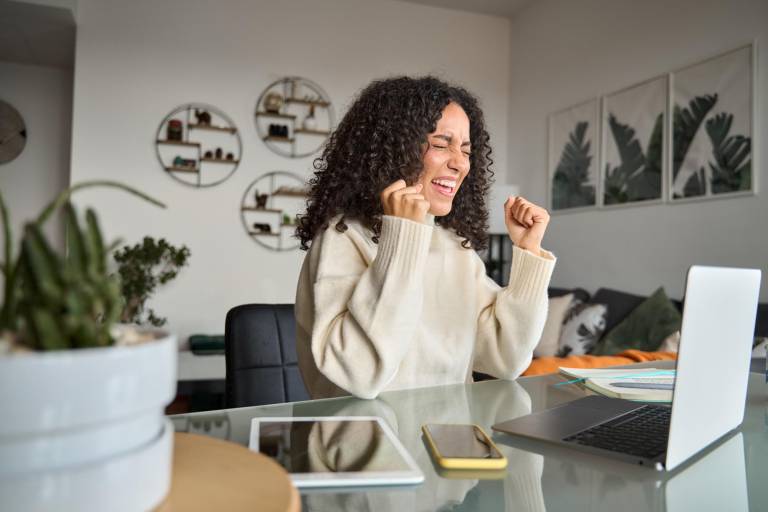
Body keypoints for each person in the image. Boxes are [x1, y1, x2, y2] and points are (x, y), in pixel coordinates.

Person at [295, 76, 555, 400]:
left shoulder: (453, 247)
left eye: (465, 149)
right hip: (364, 442)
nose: (460, 163)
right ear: (392, 148)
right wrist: (403, 236)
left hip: (451, 444)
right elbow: (359, 375)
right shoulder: (342, 237)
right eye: (441, 144)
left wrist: (528, 253)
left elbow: (506, 360)